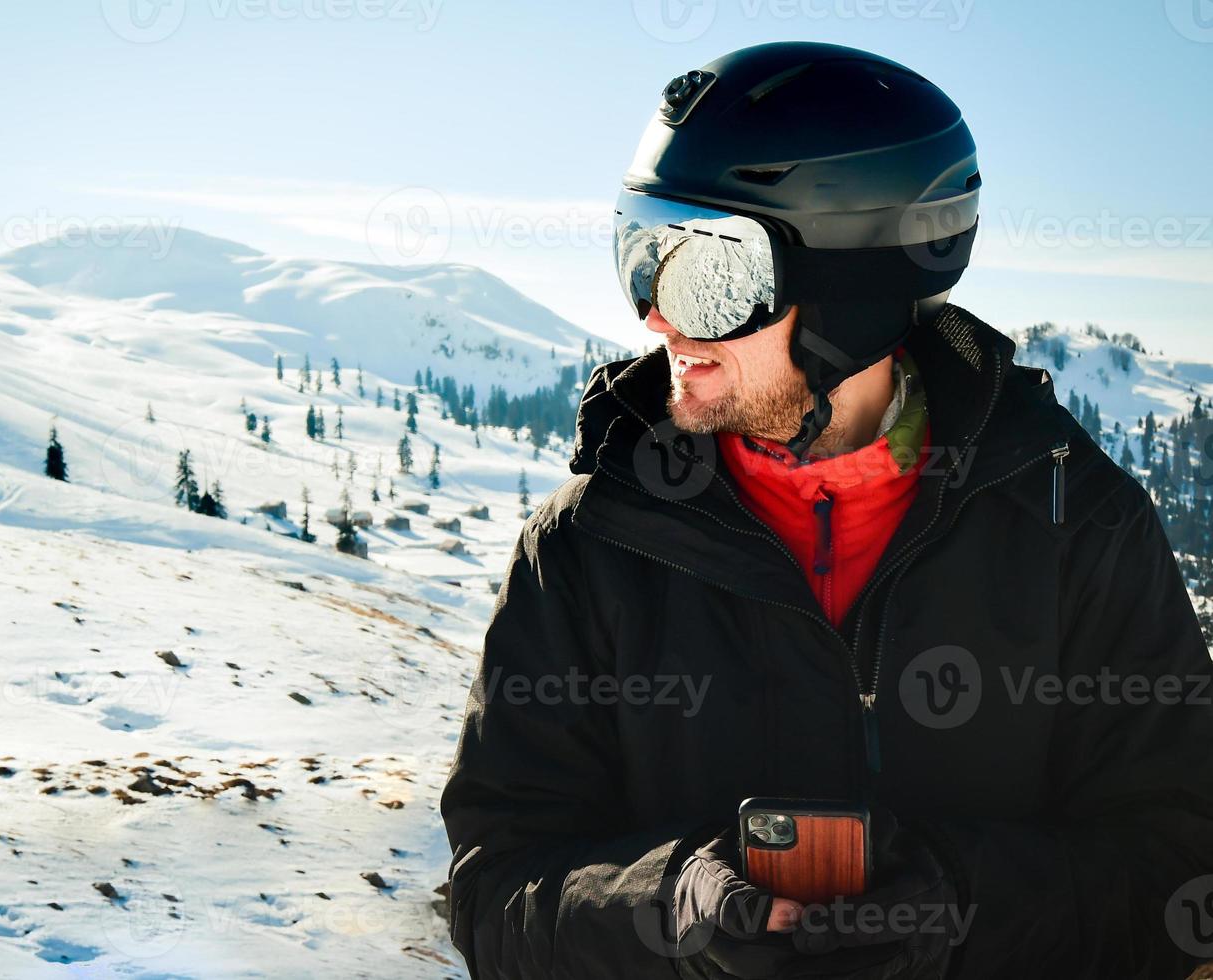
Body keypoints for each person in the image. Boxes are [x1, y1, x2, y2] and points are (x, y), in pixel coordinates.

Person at [441, 42, 1213, 980]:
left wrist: (960, 909)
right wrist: (671, 907)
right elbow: (496, 894)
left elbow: (1180, 865)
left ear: (852, 289)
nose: (656, 316)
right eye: (640, 254)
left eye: (708, 274)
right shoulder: (588, 545)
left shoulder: (1076, 526)